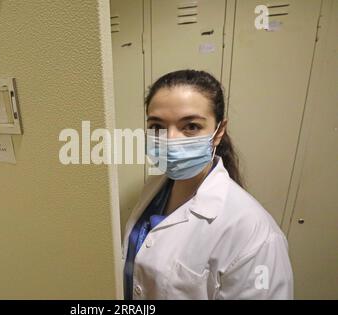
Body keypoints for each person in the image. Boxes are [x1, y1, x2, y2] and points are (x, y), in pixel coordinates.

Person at [122, 69, 293, 300]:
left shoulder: (256, 235)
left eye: (191, 126)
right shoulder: (156, 186)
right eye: (157, 127)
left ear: (218, 131)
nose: (170, 140)